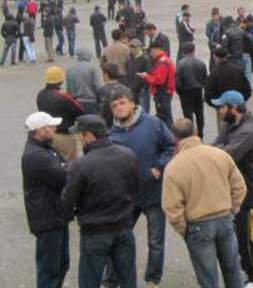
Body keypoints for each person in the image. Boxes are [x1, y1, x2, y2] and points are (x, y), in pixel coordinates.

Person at [162, 118, 246, 288]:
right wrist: (233, 208)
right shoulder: (220, 155)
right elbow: (239, 186)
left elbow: (172, 207)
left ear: (175, 138)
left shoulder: (173, 167)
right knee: (233, 272)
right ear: (195, 133)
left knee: (208, 279)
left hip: (198, 225)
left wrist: (183, 229)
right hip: (224, 219)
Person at [108, 89, 175, 288]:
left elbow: (171, 146)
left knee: (155, 241)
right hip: (127, 196)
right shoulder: (112, 134)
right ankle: (112, 279)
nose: (119, 108)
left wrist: (159, 167)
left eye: (122, 102)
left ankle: (152, 279)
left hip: (153, 192)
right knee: (119, 239)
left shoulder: (153, 124)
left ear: (132, 104)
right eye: (114, 105)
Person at [62, 114, 139, 288]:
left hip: (94, 230)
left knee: (90, 280)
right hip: (124, 226)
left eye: (80, 135)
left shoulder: (81, 165)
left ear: (89, 135)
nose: (79, 139)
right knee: (128, 277)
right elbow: (135, 188)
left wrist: (73, 215)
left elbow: (68, 200)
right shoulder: (128, 155)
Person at [211, 91, 253, 288]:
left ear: (233, 108)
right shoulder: (230, 125)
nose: (218, 111)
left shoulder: (248, 132)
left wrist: (208, 153)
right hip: (233, 191)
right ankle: (248, 271)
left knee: (249, 238)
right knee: (238, 237)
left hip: (248, 195)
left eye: (221, 107)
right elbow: (216, 146)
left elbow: (225, 155)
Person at [21, 111, 72, 288]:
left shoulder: (44, 148)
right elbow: (64, 176)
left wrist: (65, 166)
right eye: (51, 126)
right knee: (50, 269)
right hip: (47, 218)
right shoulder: (36, 156)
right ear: (40, 130)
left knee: (61, 263)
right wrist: (67, 167)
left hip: (55, 215)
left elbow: (64, 167)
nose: (55, 128)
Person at [37, 66, 84, 161]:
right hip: (64, 135)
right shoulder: (62, 96)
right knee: (69, 164)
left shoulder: (41, 95)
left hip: (47, 135)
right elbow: (80, 111)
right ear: (61, 80)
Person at [138, 42, 176, 127]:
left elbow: (159, 80)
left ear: (156, 50)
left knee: (164, 116)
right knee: (165, 115)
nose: (150, 54)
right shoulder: (164, 59)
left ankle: (169, 135)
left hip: (162, 93)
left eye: (151, 52)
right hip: (165, 92)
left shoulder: (162, 62)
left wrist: (147, 77)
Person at [175, 42, 208, 140]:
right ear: (193, 50)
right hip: (198, 90)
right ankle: (200, 134)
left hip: (186, 92)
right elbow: (205, 79)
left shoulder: (180, 64)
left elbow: (178, 82)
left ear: (183, 51)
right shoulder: (201, 63)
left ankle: (190, 134)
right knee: (199, 113)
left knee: (188, 115)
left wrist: (179, 92)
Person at [65, 47, 103, 114]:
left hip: (75, 102)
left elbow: (69, 88)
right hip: (91, 101)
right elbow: (98, 86)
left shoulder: (70, 69)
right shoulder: (93, 68)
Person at [127, 39, 152, 112]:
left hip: (142, 90)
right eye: (130, 47)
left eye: (134, 47)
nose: (131, 49)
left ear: (139, 48)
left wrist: (145, 88)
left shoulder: (145, 59)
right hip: (132, 89)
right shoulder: (130, 58)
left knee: (143, 110)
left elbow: (148, 74)